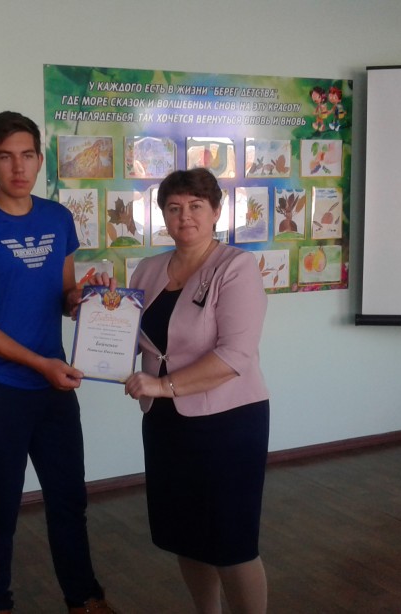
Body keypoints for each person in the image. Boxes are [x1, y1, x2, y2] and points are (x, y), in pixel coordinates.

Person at [0, 111, 116, 614]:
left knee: (69, 501)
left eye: (27, 155)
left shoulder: (57, 218)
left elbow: (63, 296)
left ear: (41, 160)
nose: (18, 167)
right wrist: (39, 363)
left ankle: (83, 598)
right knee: (0, 507)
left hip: (53, 386)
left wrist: (82, 299)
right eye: (5, 157)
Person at [124, 168, 271, 614]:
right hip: (165, 421)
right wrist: (96, 313)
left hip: (228, 423)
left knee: (231, 541)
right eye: (173, 207)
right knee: (185, 534)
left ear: (216, 212)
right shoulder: (148, 269)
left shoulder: (236, 267)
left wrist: (163, 385)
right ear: (163, 215)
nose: (184, 216)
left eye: (195, 206)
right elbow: (130, 337)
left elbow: (235, 355)